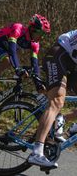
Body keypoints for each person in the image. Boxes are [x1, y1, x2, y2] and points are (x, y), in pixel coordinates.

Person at [0, 14, 51, 108]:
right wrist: (18, 69)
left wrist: (38, 83)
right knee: (8, 61)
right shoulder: (18, 28)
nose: (42, 37)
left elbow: (35, 64)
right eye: (41, 34)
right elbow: (12, 51)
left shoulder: (35, 44)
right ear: (32, 29)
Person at [27, 30, 77, 168]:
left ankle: (63, 120)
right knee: (57, 101)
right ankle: (37, 152)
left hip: (72, 63)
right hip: (58, 55)